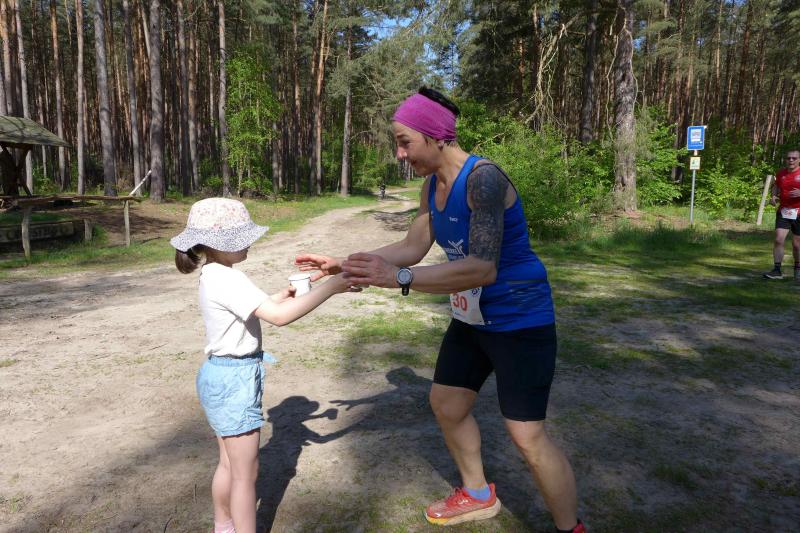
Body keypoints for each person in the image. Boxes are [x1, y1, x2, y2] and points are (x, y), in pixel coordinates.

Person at [296, 87, 584, 532]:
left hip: (519, 321)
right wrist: (344, 262)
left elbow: (483, 268)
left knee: (527, 437)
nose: (399, 154)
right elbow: (412, 246)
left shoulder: (484, 180)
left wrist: (398, 278)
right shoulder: (432, 185)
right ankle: (478, 494)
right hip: (472, 320)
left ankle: (571, 528)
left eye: (404, 142)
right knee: (447, 405)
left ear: (436, 136)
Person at [171, 198, 353, 533]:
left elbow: (259, 308)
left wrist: (281, 296)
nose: (249, 242)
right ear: (218, 243)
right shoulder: (229, 279)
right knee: (246, 474)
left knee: (228, 464)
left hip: (219, 374)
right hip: (235, 381)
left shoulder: (214, 273)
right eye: (241, 236)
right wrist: (332, 287)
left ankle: (223, 526)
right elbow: (279, 318)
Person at [763, 149, 800, 281]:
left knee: (797, 245)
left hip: (799, 212)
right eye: (788, 158)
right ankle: (777, 270)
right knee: (778, 239)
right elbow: (776, 186)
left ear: (799, 160)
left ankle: (797, 268)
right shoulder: (781, 173)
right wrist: (773, 196)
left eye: (794, 158)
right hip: (784, 211)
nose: (791, 160)